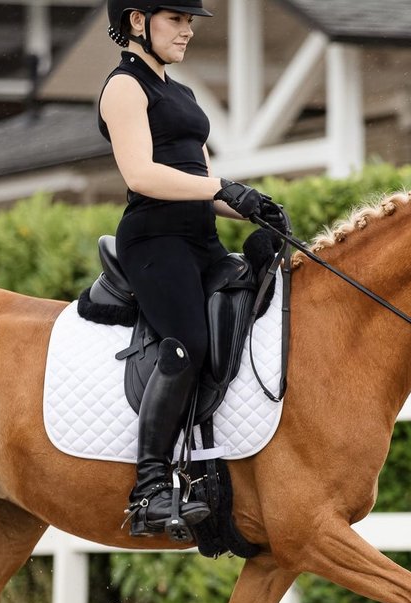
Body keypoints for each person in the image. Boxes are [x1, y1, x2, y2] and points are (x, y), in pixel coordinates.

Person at [98, 1, 285, 538]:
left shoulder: (179, 93)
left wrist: (249, 203)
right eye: (176, 20)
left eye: (189, 22)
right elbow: (142, 174)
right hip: (154, 242)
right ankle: (150, 487)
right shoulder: (124, 87)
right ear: (138, 21)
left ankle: (214, 465)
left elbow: (200, 176)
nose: (186, 32)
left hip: (200, 239)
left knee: (253, 313)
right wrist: (221, 189)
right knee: (186, 347)